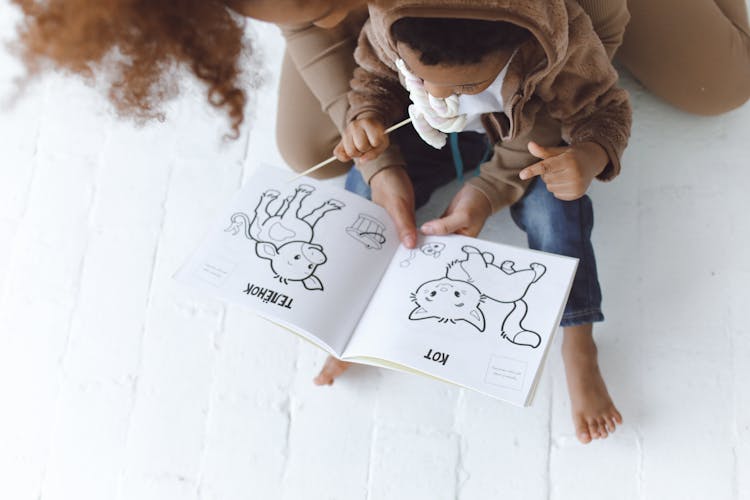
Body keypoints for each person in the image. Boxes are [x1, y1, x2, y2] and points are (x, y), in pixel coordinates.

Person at [332, 0, 632, 444]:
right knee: (365, 181)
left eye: (468, 84)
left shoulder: (557, 42)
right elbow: (373, 78)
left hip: (527, 144)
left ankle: (578, 337)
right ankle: (353, 317)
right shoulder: (391, 26)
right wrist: (365, 117)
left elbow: (604, 108)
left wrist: (588, 158)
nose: (437, 97)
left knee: (559, 208)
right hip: (425, 138)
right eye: (420, 78)